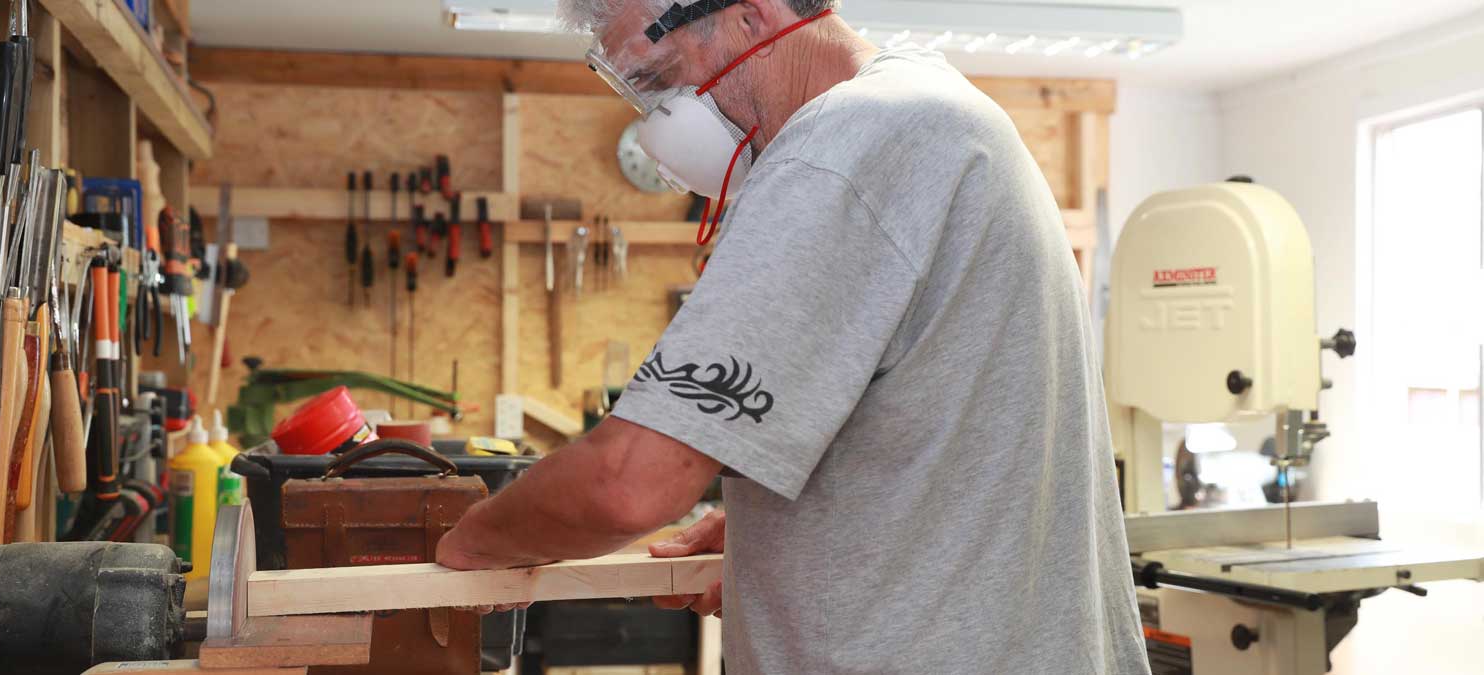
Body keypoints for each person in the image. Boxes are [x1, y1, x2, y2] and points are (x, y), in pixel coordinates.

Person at [436, 0, 1151, 672]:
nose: (664, 120)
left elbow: (628, 483)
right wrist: (787, 539)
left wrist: (475, 538)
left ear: (750, 13)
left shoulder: (844, 143)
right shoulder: (941, 112)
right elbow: (950, 440)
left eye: (661, 79)